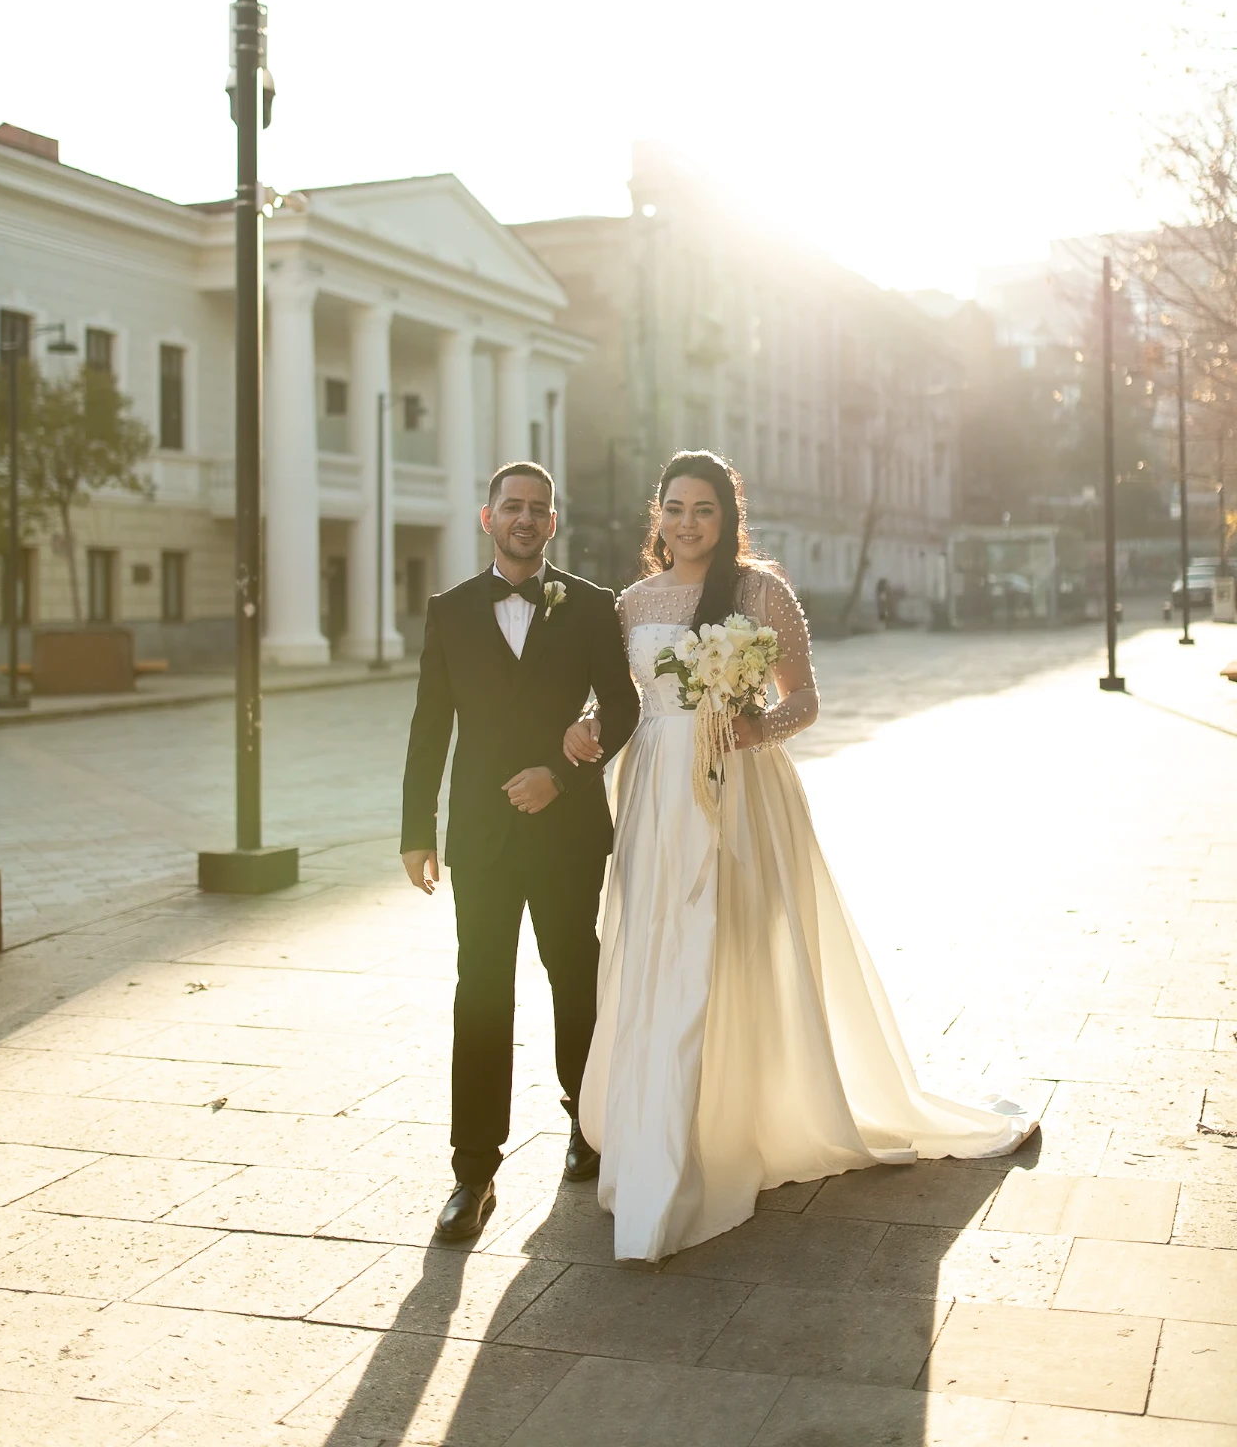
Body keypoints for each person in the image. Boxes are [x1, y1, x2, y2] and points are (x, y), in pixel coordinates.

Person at [565, 450, 1037, 1264]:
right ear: (658, 515)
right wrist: (583, 729)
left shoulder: (760, 592)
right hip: (653, 797)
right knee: (657, 954)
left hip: (741, 792)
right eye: (675, 507)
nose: (688, 522)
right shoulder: (633, 601)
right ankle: (657, 1136)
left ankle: (720, 1129)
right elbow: (618, 700)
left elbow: (805, 698)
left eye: (704, 509)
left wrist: (758, 728)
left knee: (729, 952)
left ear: (727, 515)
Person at [400, 461, 640, 1243]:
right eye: (513, 506)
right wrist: (415, 829)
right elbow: (431, 722)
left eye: (539, 508)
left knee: (576, 979)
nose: (526, 518)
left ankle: (589, 1121)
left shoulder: (592, 606)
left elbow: (624, 704)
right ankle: (473, 1173)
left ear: (553, 522)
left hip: (566, 830)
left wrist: (566, 773)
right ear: (488, 517)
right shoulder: (451, 610)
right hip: (482, 834)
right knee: (482, 994)